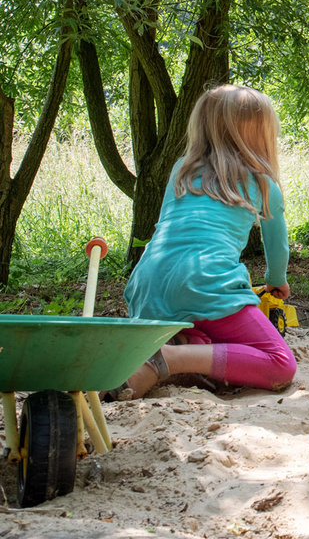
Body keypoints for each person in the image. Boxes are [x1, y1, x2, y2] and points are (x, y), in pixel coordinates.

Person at [111, 84, 297, 400]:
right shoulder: (263, 185)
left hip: (148, 285)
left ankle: (181, 343)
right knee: (280, 365)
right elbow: (277, 248)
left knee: (200, 324)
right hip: (206, 284)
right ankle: (170, 358)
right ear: (260, 135)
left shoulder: (181, 172)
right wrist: (276, 281)